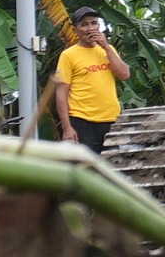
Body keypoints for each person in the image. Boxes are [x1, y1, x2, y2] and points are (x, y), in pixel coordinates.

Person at [52, 8, 129, 154]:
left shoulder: (108, 50)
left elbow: (124, 75)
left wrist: (106, 46)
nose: (90, 28)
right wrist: (67, 128)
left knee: (112, 166)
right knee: (86, 168)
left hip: (111, 120)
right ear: (75, 30)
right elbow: (61, 93)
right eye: (84, 24)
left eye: (94, 23)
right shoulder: (68, 55)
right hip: (82, 121)